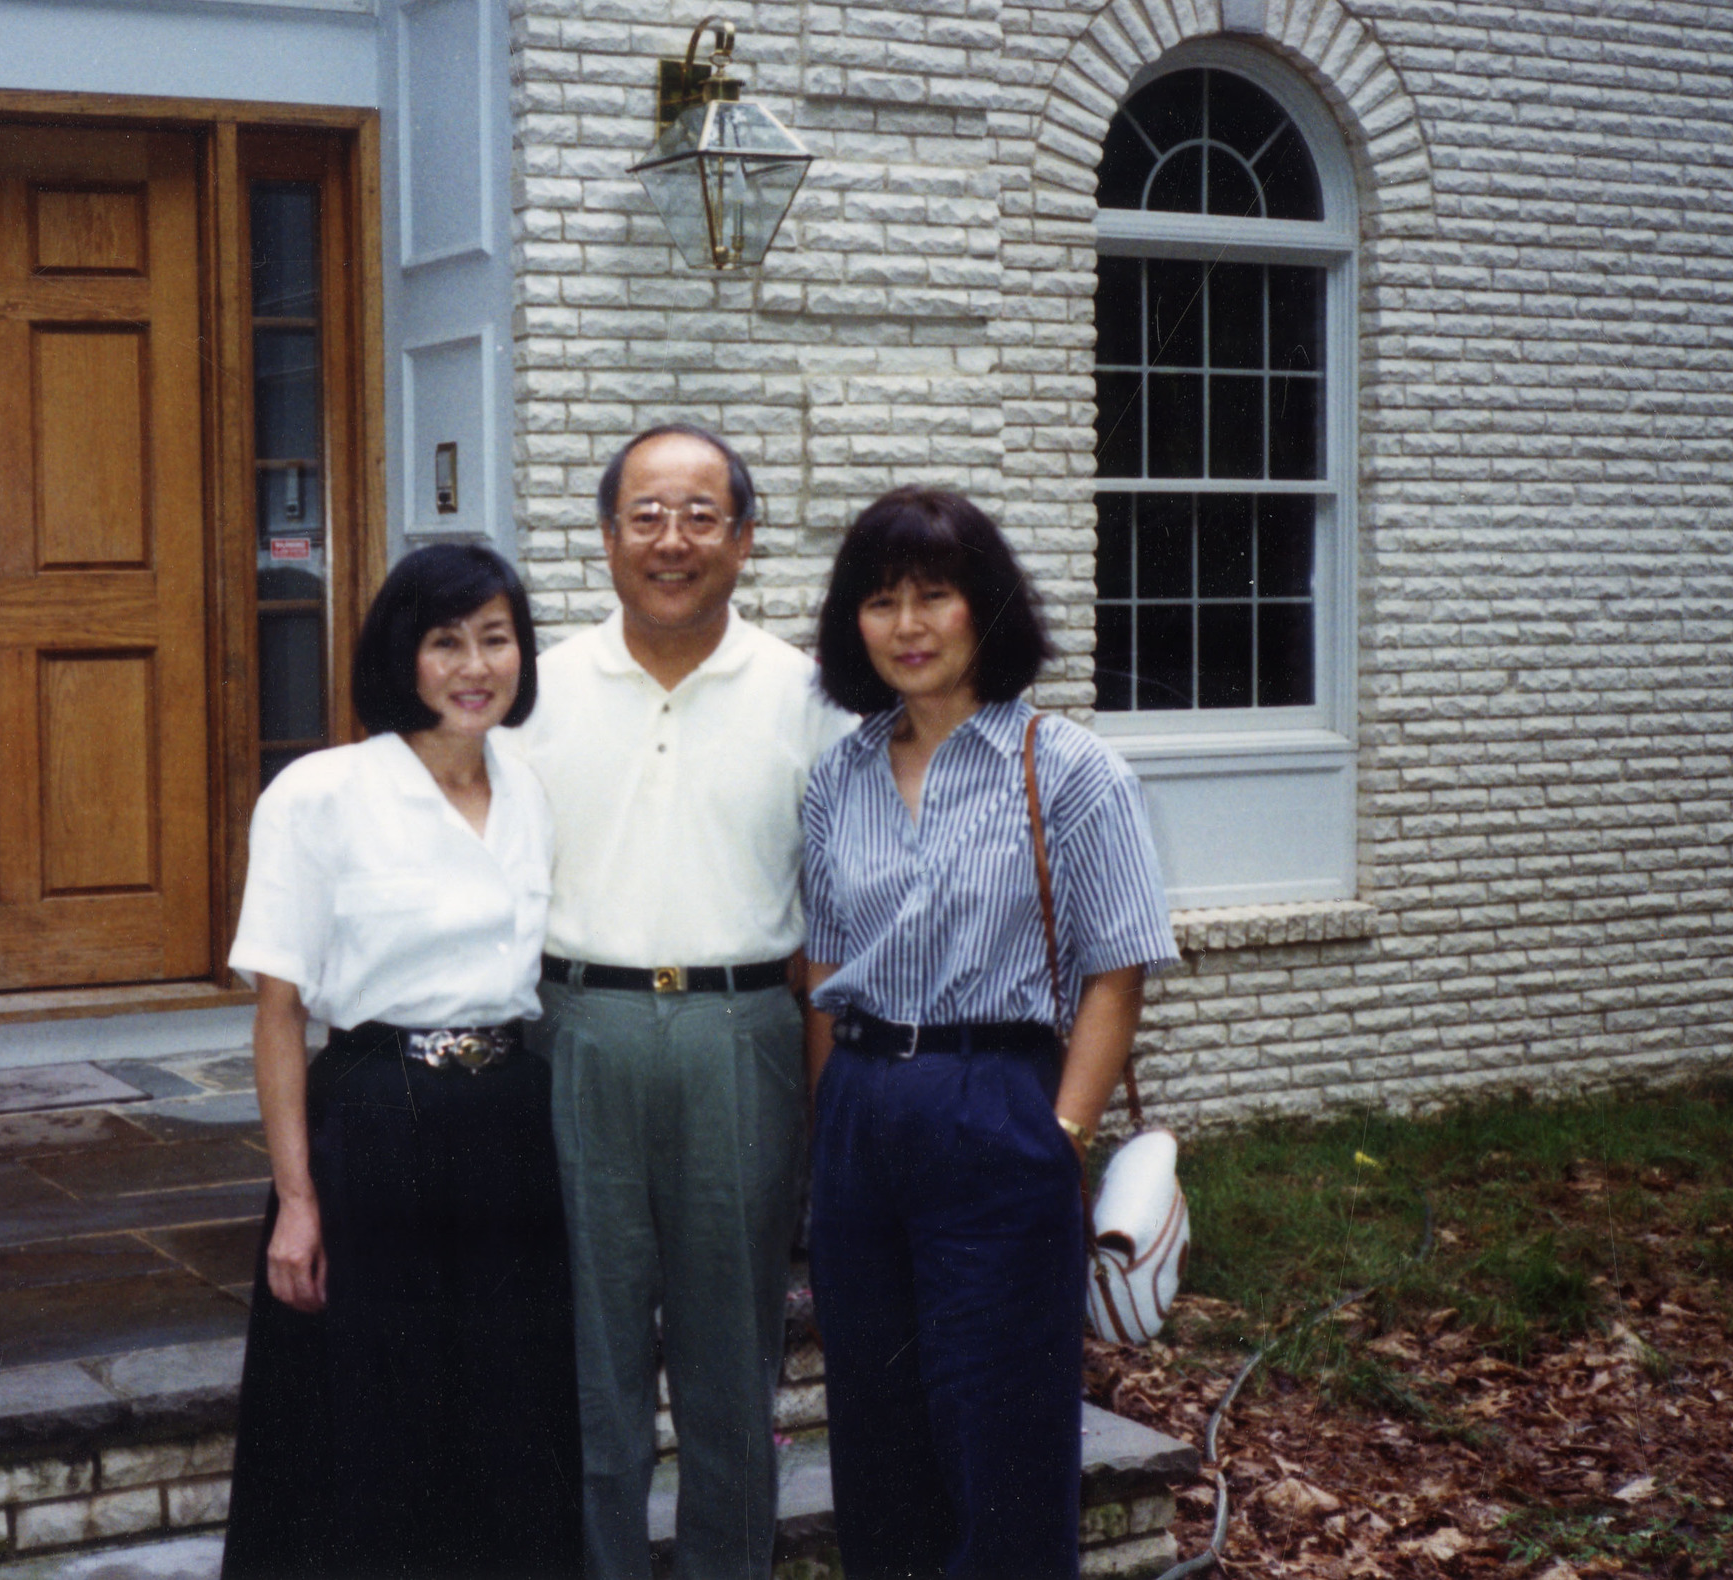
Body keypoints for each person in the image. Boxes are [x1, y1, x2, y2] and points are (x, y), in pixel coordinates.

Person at [799, 487, 1178, 1580]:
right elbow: (827, 968)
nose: (907, 624)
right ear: (852, 625)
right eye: (880, 600)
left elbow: (1116, 970)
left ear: (986, 610)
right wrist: (830, 1130)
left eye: (934, 595)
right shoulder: (839, 775)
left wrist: (1058, 1131)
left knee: (1000, 1437)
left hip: (995, 1102)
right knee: (878, 1436)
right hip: (864, 1109)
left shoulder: (1069, 770)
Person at [512, 423, 851, 1579]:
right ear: (606, 535)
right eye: (646, 514)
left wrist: (819, 1103)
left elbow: (833, 914)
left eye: (701, 515)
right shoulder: (535, 689)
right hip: (577, 1034)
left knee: (731, 1359)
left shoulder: (806, 695)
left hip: (739, 1034)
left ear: (744, 538)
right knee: (586, 1359)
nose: (673, 540)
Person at [220, 543, 581, 1580]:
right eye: (445, 641)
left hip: (510, 1124)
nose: (476, 664)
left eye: (497, 638)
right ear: (402, 656)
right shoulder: (322, 792)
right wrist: (297, 1199)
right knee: (370, 1412)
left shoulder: (533, 789)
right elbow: (279, 1012)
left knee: (507, 1404)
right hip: (376, 1120)